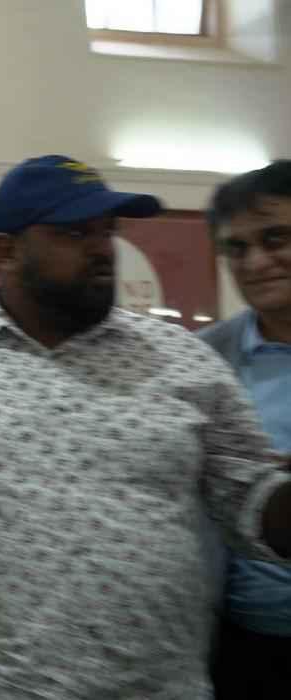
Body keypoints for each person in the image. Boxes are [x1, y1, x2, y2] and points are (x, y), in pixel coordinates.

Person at [0, 154, 291, 700]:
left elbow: (250, 499)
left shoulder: (184, 362)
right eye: (74, 233)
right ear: (8, 252)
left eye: (107, 231)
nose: (102, 249)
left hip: (159, 687)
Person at [200, 160, 291, 700]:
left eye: (276, 238)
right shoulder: (202, 361)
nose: (255, 262)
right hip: (245, 642)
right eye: (236, 248)